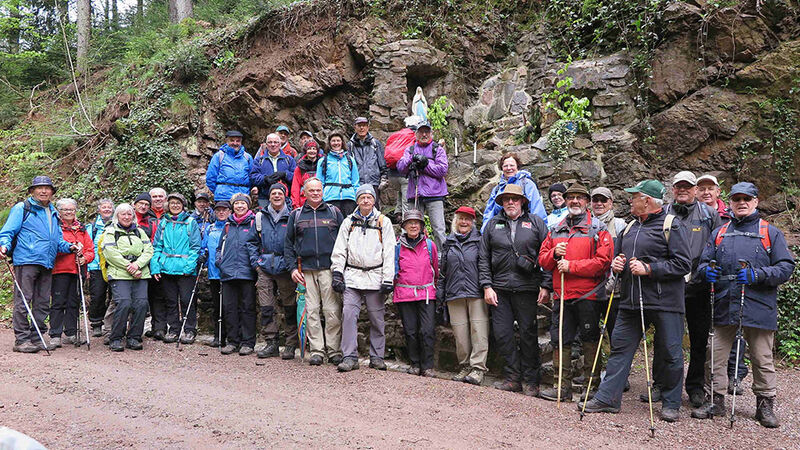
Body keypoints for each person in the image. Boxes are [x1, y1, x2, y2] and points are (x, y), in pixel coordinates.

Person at [580, 179, 692, 423]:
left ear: (647, 200)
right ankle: (608, 398)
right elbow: (619, 257)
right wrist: (617, 264)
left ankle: (671, 403)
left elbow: (684, 264)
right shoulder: (630, 226)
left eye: (634, 196)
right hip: (630, 301)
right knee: (620, 350)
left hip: (665, 302)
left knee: (671, 353)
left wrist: (649, 269)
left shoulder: (672, 225)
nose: (630, 200)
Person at [691, 182, 795, 427]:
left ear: (755, 202)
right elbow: (703, 263)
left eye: (746, 199)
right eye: (737, 199)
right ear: (730, 203)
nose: (741, 203)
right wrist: (707, 272)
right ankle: (716, 400)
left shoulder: (770, 232)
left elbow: (786, 267)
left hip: (759, 304)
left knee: (762, 357)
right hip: (725, 302)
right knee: (715, 354)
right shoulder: (720, 233)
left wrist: (757, 275)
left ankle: (765, 405)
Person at [646, 171, 720, 408]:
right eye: (679, 186)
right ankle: (661, 383)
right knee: (664, 338)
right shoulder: (663, 212)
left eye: (688, 186)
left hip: (699, 286)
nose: (683, 190)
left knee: (699, 339)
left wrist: (708, 271)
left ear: (695, 190)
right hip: (669, 285)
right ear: (673, 189)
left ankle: (695, 386)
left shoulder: (709, 215)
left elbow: (717, 246)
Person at [538, 182, 613, 401]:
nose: (575, 201)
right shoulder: (556, 229)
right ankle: (562, 387)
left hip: (589, 295)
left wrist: (572, 266)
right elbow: (542, 260)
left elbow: (603, 262)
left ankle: (591, 387)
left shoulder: (598, 229)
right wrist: (554, 253)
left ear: (587, 202)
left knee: (590, 339)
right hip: (562, 295)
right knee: (560, 340)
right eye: (571, 197)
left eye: (579, 197)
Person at [478, 184, 551, 395]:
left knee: (528, 334)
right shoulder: (493, 225)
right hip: (499, 289)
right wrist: (487, 286)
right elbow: (483, 258)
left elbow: (547, 254)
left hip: (527, 288)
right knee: (502, 334)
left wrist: (546, 285)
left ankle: (531, 380)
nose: (510, 202)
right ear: (501, 202)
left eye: (515, 199)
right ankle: (512, 378)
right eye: (506, 199)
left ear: (522, 202)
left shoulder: (536, 223)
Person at [0, 176, 79, 353]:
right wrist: (4, 246)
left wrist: (69, 246)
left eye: (47, 188)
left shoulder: (53, 212)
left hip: (47, 262)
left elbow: (57, 240)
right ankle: (22, 340)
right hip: (26, 260)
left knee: (42, 302)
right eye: (39, 188)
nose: (43, 191)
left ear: (52, 192)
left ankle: (37, 337)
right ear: (32, 191)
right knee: (24, 300)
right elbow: (7, 232)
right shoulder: (22, 208)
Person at [331, 184, 395, 372]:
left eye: (369, 197)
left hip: (375, 276)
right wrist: (337, 272)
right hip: (352, 275)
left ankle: (377, 356)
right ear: (357, 200)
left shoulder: (384, 222)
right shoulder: (348, 222)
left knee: (377, 318)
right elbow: (340, 248)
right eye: (362, 197)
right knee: (349, 315)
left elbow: (389, 251)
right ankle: (349, 356)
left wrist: (388, 278)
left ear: (374, 200)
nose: (366, 200)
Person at [285, 178, 345, 366]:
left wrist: (341, 268)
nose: (316, 193)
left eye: (318, 190)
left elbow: (344, 241)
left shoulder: (334, 212)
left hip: (329, 268)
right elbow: (288, 245)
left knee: (332, 311)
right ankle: (317, 351)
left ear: (323, 191)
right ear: (304, 192)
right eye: (312, 190)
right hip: (305, 270)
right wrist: (292, 268)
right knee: (311, 311)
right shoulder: (296, 215)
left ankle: (334, 350)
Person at [695, 173, 746, 393]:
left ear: (718, 191)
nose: (706, 192)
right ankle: (707, 381)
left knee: (734, 330)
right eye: (702, 188)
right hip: (700, 280)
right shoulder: (690, 213)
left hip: (728, 283)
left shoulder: (732, 215)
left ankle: (735, 375)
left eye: (710, 188)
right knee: (705, 335)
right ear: (696, 192)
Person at [437, 206, 488, 385]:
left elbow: (485, 266)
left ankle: (478, 368)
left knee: (479, 331)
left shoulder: (480, 241)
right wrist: (440, 295)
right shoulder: (448, 242)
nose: (464, 222)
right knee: (460, 334)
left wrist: (487, 287)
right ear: (455, 221)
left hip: (476, 293)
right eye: (461, 219)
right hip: (454, 293)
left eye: (467, 219)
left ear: (473, 222)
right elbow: (442, 272)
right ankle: (465, 365)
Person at [590, 187, 629, 390]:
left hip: (615, 290)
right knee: (590, 333)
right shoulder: (585, 224)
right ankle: (593, 374)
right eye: (595, 200)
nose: (599, 203)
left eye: (603, 200)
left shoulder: (621, 225)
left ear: (611, 203)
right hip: (591, 289)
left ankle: (619, 376)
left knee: (616, 334)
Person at [101, 203, 154, 351]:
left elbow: (149, 250)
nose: (126, 217)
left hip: (140, 273)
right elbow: (110, 253)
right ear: (117, 215)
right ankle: (116, 338)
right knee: (123, 303)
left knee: (141, 304)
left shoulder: (140, 232)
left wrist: (137, 265)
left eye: (129, 214)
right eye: (123, 214)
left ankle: (134, 337)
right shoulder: (110, 231)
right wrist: (129, 267)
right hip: (119, 274)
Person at [254, 184, 298, 360]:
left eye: (280, 193)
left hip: (285, 266)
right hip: (264, 266)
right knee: (266, 307)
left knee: (290, 306)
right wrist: (256, 263)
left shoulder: (293, 215)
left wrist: (291, 264)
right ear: (269, 196)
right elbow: (252, 242)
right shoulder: (260, 216)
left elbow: (296, 241)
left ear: (285, 196)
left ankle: (290, 344)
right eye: (274, 193)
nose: (277, 196)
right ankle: (271, 342)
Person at [151, 193, 201, 344]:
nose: (175, 205)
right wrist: (155, 267)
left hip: (185, 270)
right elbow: (157, 246)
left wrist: (189, 266)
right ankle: (174, 329)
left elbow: (195, 247)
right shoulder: (164, 223)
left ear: (183, 206)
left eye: (178, 203)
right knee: (170, 301)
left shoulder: (190, 222)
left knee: (187, 300)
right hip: (167, 268)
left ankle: (189, 330)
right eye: (172, 203)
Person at [394, 210, 439, 376]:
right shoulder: (397, 246)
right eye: (409, 223)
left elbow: (435, 269)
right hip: (404, 293)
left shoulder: (430, 245)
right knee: (410, 330)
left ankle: (427, 366)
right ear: (404, 226)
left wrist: (433, 288)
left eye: (416, 223)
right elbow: (394, 269)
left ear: (421, 226)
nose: (413, 225)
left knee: (427, 330)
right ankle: (414, 363)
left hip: (426, 293)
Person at [216, 193, 260, 355]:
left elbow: (258, 245)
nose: (239, 206)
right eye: (236, 204)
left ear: (248, 205)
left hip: (247, 272)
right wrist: (220, 262)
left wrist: (256, 267)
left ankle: (247, 342)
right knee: (229, 308)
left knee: (247, 308)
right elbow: (220, 248)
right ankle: (232, 341)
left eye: (243, 203)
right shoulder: (228, 225)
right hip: (228, 272)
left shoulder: (254, 223)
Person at [49, 198, 95, 348]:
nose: (69, 212)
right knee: (58, 302)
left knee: (73, 302)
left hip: (78, 270)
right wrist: (70, 249)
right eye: (65, 210)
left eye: (71, 210)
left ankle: (71, 333)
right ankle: (55, 335)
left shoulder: (81, 228)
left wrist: (85, 258)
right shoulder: (55, 227)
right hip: (60, 270)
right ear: (59, 212)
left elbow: (90, 249)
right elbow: (52, 247)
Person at [397, 121, 449, 247]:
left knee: (439, 229)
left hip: (435, 194)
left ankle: (442, 256)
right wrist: (412, 159)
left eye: (426, 132)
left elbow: (442, 170)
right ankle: (412, 254)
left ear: (431, 133)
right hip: (415, 194)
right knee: (412, 229)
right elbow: (400, 167)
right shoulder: (410, 150)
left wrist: (426, 164)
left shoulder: (437, 149)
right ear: (416, 134)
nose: (424, 134)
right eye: (421, 132)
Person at [481, 152, 546, 232]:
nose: (509, 168)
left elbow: (537, 208)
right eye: (505, 166)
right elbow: (489, 213)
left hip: (524, 230)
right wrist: (485, 232)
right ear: (502, 168)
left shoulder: (526, 184)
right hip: (502, 230)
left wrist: (540, 231)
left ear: (517, 167)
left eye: (512, 165)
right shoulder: (497, 189)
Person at [201, 200, 230, 348]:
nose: (221, 212)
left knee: (229, 306)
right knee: (217, 305)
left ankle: (231, 336)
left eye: (224, 210)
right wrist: (202, 257)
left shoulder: (231, 227)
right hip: (214, 272)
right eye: (218, 210)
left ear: (229, 212)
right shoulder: (210, 228)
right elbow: (204, 247)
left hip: (229, 273)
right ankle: (218, 336)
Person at [86, 198, 114, 337]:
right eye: (104, 207)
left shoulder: (117, 224)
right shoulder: (92, 228)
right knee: (97, 295)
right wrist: (88, 267)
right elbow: (88, 247)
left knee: (114, 296)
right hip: (96, 266)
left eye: (109, 207)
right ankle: (96, 323)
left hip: (114, 266)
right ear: (99, 210)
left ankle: (111, 323)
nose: (107, 209)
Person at [317, 131, 360, 216]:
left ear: (342, 142)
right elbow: (319, 182)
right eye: (333, 141)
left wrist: (357, 197)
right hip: (330, 197)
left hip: (349, 198)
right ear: (329, 143)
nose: (336, 143)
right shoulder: (323, 161)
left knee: (348, 222)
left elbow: (355, 181)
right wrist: (321, 197)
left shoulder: (350, 160)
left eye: (338, 140)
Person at [347, 117, 389, 203]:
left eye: (364, 125)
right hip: (357, 183)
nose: (362, 128)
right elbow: (348, 166)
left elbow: (382, 162)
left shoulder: (375, 143)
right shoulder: (350, 145)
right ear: (355, 127)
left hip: (373, 182)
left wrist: (384, 178)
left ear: (368, 127)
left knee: (374, 206)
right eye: (359, 125)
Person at [250, 133, 296, 208]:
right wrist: (265, 179)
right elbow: (253, 177)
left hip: (284, 197)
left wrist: (285, 174)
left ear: (280, 144)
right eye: (270, 142)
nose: (273, 145)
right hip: (264, 197)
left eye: (275, 142)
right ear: (266, 145)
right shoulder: (259, 160)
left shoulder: (289, 160)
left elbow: (296, 177)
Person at [206, 130, 253, 202]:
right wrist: (220, 190)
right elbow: (210, 178)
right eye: (232, 140)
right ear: (226, 141)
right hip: (223, 198)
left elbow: (252, 177)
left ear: (241, 142)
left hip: (242, 197)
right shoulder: (219, 156)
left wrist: (246, 191)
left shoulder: (247, 157)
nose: (235, 143)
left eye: (238, 141)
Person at [291, 140, 322, 208]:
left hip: (320, 201)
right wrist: (296, 205)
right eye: (309, 148)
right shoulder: (300, 167)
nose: (312, 151)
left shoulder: (323, 165)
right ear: (305, 151)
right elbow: (295, 187)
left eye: (314, 149)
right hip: (304, 201)